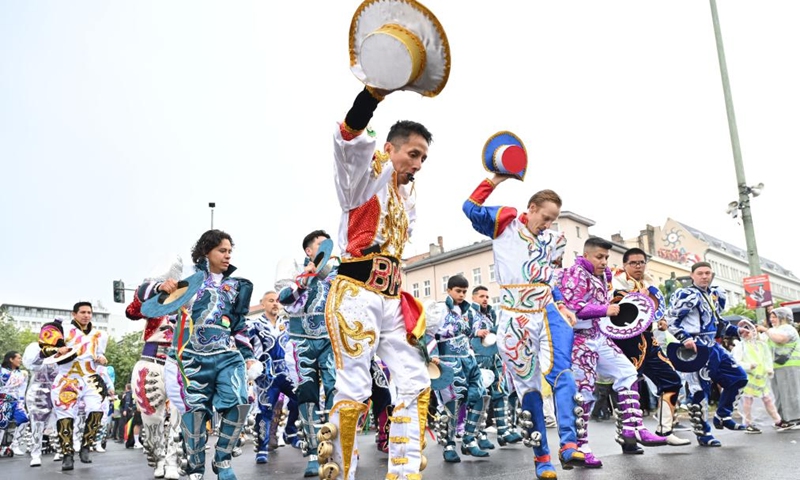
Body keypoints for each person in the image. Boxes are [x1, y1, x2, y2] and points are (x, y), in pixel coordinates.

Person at [319, 86, 432, 480]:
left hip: (390, 297)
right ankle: (342, 473)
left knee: (416, 380)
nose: (417, 164)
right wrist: (372, 95)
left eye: (423, 158)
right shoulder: (365, 178)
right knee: (354, 385)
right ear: (390, 147)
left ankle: (402, 472)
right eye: (412, 153)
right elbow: (349, 138)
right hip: (355, 294)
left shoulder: (406, 197)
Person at [463, 173, 585, 480]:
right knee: (528, 388)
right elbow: (470, 207)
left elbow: (550, 277)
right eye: (545, 217)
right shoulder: (506, 226)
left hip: (546, 312)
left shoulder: (554, 241)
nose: (548, 224)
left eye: (553, 219)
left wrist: (562, 304)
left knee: (564, 373)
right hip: (514, 317)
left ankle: (569, 443)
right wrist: (496, 178)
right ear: (530, 208)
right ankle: (542, 456)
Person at [140, 229, 255, 480]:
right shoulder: (187, 283)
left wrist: (249, 356)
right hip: (189, 357)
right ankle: (196, 467)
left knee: (239, 403)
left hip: (227, 355)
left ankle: (223, 460)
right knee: (195, 415)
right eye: (222, 251)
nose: (227, 256)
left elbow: (239, 325)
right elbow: (144, 300)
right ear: (207, 252)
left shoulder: (236, 286)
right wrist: (162, 286)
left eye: (229, 252)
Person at [560, 239, 667, 468]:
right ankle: (581, 447)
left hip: (599, 336)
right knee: (584, 394)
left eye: (607, 257)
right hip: (579, 341)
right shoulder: (574, 273)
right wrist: (604, 310)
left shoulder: (605, 274)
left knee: (628, 372)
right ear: (586, 255)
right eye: (599, 257)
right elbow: (572, 308)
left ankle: (634, 427)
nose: (604, 261)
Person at [610, 248, 690, 446]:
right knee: (629, 386)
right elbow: (619, 307)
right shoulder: (615, 281)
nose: (638, 266)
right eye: (634, 263)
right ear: (625, 265)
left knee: (672, 380)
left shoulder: (650, 283)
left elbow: (656, 309)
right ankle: (626, 435)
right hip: (627, 341)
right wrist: (636, 295)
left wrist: (661, 321)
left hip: (650, 339)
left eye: (642, 262)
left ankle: (665, 430)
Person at [666, 261, 748, 447]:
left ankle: (723, 415)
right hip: (696, 348)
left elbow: (718, 324)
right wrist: (684, 338)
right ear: (692, 275)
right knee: (698, 393)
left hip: (714, 347)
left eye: (708, 273)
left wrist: (737, 331)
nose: (704, 276)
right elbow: (671, 319)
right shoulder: (686, 294)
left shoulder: (712, 295)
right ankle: (704, 434)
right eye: (701, 273)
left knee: (738, 377)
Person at [277, 229, 338, 477]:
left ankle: (334, 448)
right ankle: (314, 452)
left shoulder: (337, 274)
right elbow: (284, 298)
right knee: (308, 396)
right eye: (320, 245)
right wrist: (305, 277)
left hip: (330, 341)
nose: (326, 249)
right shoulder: (296, 273)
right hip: (302, 343)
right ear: (309, 250)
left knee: (336, 389)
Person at [125, 256, 185, 480]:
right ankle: (158, 457)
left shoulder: (191, 300)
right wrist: (159, 287)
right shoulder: (152, 302)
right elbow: (132, 310)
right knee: (151, 424)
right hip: (151, 363)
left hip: (181, 364)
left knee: (180, 418)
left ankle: (172, 460)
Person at [38, 302, 109, 470]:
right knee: (65, 416)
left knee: (97, 409)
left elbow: (100, 355)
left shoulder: (100, 334)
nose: (86, 315)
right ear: (74, 314)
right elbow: (44, 351)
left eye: (89, 312)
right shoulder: (63, 329)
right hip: (67, 379)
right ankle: (67, 454)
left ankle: (86, 446)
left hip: (91, 377)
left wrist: (102, 359)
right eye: (83, 312)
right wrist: (59, 350)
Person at [428, 275, 491, 463]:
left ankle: (469, 440)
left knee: (480, 396)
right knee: (452, 404)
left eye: (464, 291)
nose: (462, 294)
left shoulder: (469, 311)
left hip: (468, 360)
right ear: (449, 290)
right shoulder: (439, 309)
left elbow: (469, 331)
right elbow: (428, 333)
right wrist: (434, 356)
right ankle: (448, 444)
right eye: (458, 291)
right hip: (448, 361)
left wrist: (478, 333)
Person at [246, 291, 299, 465]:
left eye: (277, 301)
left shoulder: (286, 324)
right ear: (263, 304)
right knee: (264, 412)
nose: (275, 303)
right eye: (271, 301)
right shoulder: (254, 324)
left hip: (285, 372)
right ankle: (262, 449)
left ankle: (290, 430)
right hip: (266, 376)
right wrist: (249, 362)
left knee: (301, 398)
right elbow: (243, 343)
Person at [470, 285, 522, 447]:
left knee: (501, 392)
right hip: (477, 360)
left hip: (494, 358)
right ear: (474, 298)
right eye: (481, 296)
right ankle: (478, 433)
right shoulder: (468, 313)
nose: (485, 299)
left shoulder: (491, 314)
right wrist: (475, 333)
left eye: (487, 296)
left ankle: (504, 431)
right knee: (480, 397)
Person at [733, 321, 784, 432]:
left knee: (768, 399)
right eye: (744, 331)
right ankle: (747, 423)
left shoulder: (761, 345)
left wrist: (769, 369)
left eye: (750, 330)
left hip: (761, 378)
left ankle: (777, 420)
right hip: (748, 378)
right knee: (747, 401)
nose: (748, 333)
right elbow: (736, 362)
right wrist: (748, 366)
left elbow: (767, 358)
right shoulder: (740, 347)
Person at [759, 307, 800, 427]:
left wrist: (765, 330)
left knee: (790, 392)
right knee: (779, 393)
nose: (771, 319)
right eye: (771, 317)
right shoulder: (774, 330)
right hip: (776, 366)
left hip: (790, 365)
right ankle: (783, 418)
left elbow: (781, 339)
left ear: (783, 317)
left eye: (774, 317)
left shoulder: (788, 328)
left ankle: (795, 418)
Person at [21, 341, 58, 466]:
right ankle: (36, 454)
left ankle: (61, 449)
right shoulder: (35, 348)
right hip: (38, 391)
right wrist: (45, 353)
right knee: (37, 423)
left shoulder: (63, 348)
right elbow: (31, 364)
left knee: (62, 420)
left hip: (58, 389)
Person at [0, 351, 28, 458]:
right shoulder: (1, 371)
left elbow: (22, 389)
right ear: (11, 359)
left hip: (15, 401)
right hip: (2, 400)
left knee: (24, 419)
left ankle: (14, 444)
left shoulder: (21, 373)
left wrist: (21, 401)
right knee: (2, 423)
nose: (20, 360)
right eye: (18, 358)